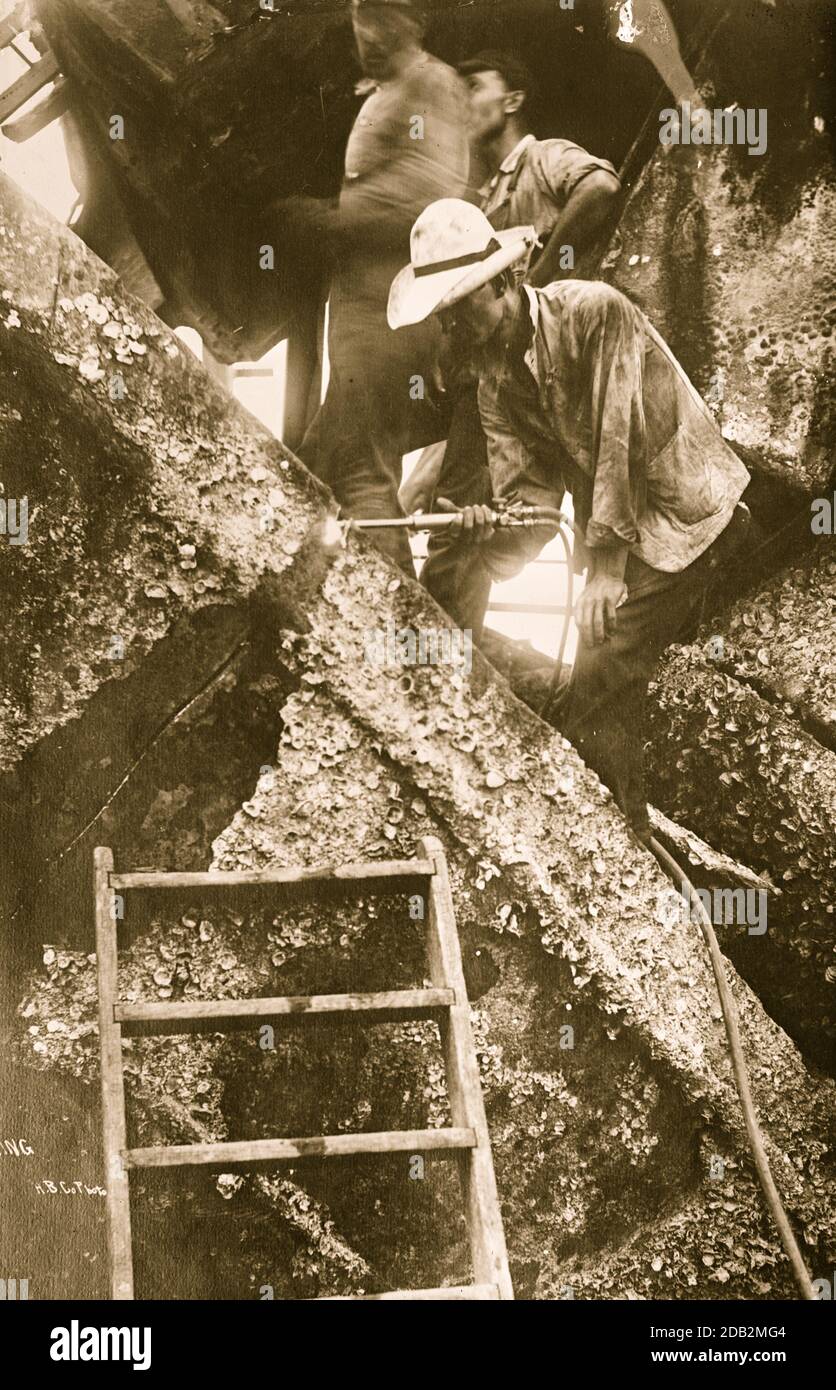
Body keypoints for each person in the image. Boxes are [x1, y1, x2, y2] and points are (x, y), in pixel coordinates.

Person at [388, 199, 752, 843]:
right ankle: (619, 835)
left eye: (459, 306)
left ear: (503, 283)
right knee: (586, 680)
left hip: (685, 514)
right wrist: (484, 531)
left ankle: (624, 852)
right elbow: (529, 513)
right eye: (442, 317)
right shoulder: (496, 387)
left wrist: (606, 571)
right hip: (622, 536)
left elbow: (618, 437)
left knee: (600, 672)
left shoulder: (594, 311)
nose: (452, 330)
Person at [416, 51, 621, 630]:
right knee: (458, 522)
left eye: (474, 85)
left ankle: (442, 655)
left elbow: (601, 186)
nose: (462, 100)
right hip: (485, 383)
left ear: (513, 100)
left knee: (486, 525)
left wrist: (539, 273)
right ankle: (443, 650)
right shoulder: (477, 201)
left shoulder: (541, 157)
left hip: (542, 366)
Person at [288, 0, 469, 574]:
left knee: (360, 472)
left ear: (414, 20)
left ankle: (403, 630)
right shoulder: (385, 92)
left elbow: (427, 198)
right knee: (317, 464)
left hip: (392, 316)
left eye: (380, 17)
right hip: (362, 316)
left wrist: (323, 220)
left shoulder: (433, 84)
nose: (364, 32)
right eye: (359, 16)